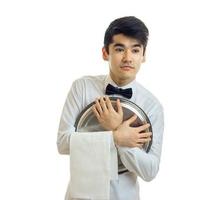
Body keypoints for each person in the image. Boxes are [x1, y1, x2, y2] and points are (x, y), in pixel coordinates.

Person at [57, 16, 164, 200]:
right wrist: (115, 136)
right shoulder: (82, 88)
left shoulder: (152, 106)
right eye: (120, 49)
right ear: (105, 53)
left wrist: (120, 137)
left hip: (124, 195)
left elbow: (150, 171)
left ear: (144, 55)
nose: (128, 58)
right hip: (81, 193)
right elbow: (63, 143)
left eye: (135, 50)